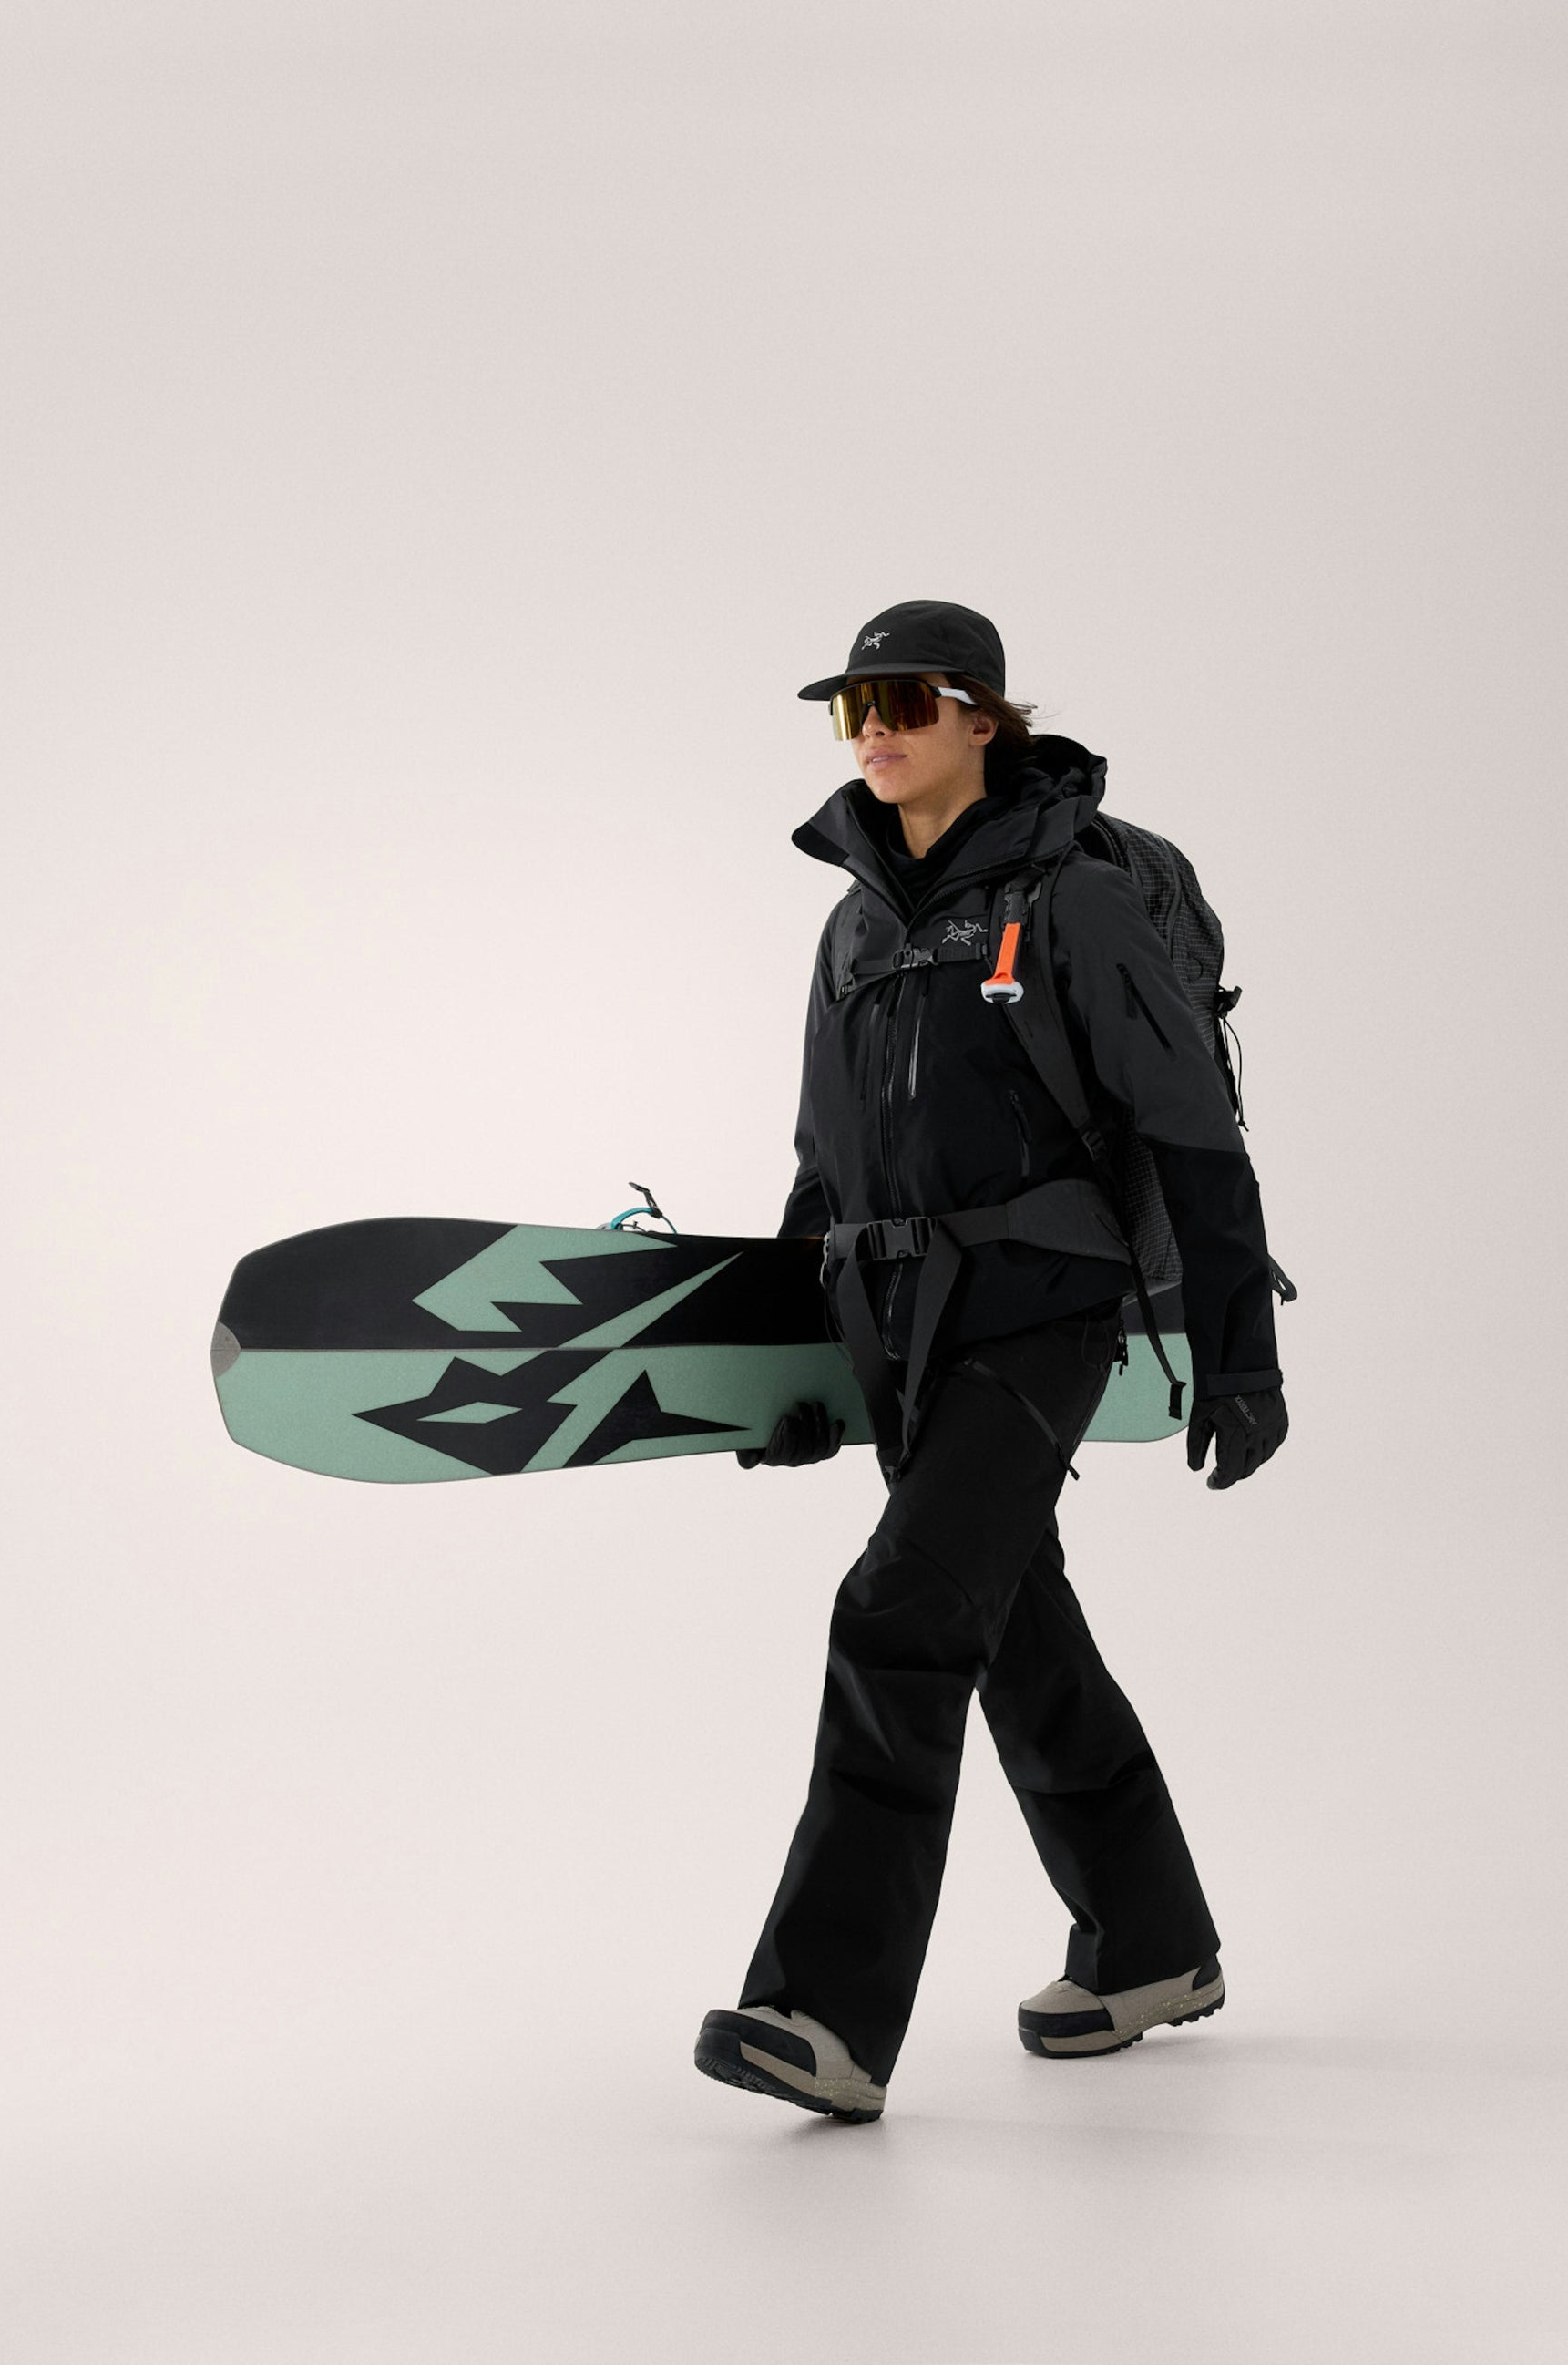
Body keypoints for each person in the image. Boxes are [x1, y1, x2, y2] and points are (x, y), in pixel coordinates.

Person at [692, 600, 1287, 2123]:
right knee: (1015, 1636)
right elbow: (823, 1167)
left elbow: (1188, 1131)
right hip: (898, 1324)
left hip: (1042, 1306)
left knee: (897, 1615)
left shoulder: (1068, 897)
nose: (873, 732)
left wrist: (1238, 1353)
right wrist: (794, 1370)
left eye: (904, 702)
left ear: (983, 717)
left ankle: (821, 2015)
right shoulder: (850, 925)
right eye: (853, 709)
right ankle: (1151, 1944)